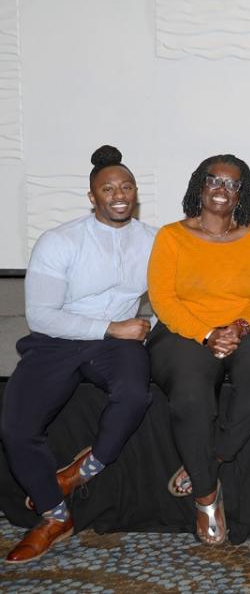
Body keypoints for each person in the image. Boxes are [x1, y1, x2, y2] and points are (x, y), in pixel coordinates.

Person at [2, 146, 156, 564]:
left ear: (136, 192)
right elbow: (41, 315)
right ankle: (55, 516)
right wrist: (110, 327)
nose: (119, 194)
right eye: (108, 188)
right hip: (59, 339)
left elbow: (168, 301)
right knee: (16, 427)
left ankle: (82, 471)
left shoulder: (155, 241)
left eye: (126, 186)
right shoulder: (59, 241)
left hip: (117, 343)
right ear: (93, 197)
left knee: (135, 395)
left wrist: (146, 328)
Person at [147, 154, 250, 546]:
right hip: (183, 331)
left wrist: (237, 327)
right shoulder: (171, 236)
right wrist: (207, 334)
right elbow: (164, 300)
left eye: (232, 184)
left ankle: (211, 458)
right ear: (199, 186)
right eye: (214, 180)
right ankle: (206, 496)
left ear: (242, 194)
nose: (222, 189)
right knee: (190, 395)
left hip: (242, 328)